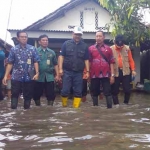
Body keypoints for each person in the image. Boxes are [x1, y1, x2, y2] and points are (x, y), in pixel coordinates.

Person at [3, 31, 40, 109]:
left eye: (25, 37)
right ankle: (14, 112)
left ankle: (26, 113)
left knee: (28, 95)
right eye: (22, 37)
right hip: (16, 76)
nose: (24, 38)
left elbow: (36, 61)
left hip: (29, 76)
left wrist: (37, 73)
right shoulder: (14, 49)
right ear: (18, 38)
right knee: (15, 94)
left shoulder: (32, 49)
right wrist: (6, 76)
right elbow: (10, 63)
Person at [59, 26, 90, 108]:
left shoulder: (84, 46)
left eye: (79, 35)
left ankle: (76, 109)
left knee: (78, 92)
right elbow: (61, 56)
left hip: (79, 73)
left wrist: (87, 72)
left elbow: (86, 59)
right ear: (73, 34)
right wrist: (60, 69)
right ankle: (64, 107)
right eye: (76, 34)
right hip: (67, 71)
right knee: (65, 90)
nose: (78, 36)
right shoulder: (66, 44)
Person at [89, 30, 115, 108]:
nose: (98, 38)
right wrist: (87, 73)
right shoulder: (90, 49)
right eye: (97, 36)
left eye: (100, 36)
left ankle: (109, 109)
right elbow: (89, 62)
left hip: (106, 74)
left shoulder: (108, 49)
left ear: (104, 37)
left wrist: (112, 75)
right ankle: (95, 109)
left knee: (108, 92)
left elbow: (111, 62)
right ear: (95, 37)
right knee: (94, 92)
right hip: (94, 74)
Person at [33, 34, 59, 106]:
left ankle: (49, 109)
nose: (45, 42)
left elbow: (55, 64)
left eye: (46, 40)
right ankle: (38, 108)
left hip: (49, 76)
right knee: (36, 94)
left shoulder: (52, 52)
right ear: (39, 42)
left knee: (51, 94)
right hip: (38, 77)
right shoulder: (35, 51)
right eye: (43, 40)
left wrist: (57, 75)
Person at [111, 34, 136, 106]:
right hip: (116, 72)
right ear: (115, 42)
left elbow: (131, 60)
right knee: (115, 91)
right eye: (118, 44)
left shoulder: (127, 48)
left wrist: (133, 69)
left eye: (121, 44)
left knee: (127, 90)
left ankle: (125, 104)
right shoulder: (111, 49)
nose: (120, 46)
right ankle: (116, 105)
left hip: (126, 72)